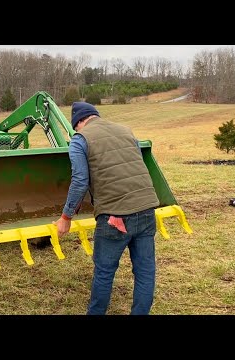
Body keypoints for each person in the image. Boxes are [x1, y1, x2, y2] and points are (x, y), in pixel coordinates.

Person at [53, 101, 160, 315]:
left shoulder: (80, 140)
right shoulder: (126, 131)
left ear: (78, 122)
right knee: (145, 271)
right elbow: (136, 165)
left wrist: (66, 216)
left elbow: (80, 180)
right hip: (147, 208)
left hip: (115, 216)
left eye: (76, 128)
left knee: (104, 272)